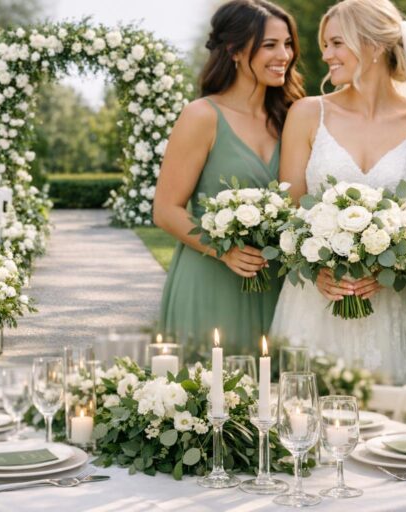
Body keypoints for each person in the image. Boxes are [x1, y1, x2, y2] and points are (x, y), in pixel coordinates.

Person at [270, 0, 406, 384]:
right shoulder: (308, 113)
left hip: (392, 301)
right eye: (325, 44)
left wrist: (392, 265)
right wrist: (317, 268)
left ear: (373, 45)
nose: (326, 55)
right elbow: (288, 211)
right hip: (315, 299)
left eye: (336, 43)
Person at [153, 0, 304, 356]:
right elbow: (166, 209)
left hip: (277, 287)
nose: (284, 54)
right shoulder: (202, 116)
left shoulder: (294, 117)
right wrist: (225, 251)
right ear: (235, 50)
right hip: (211, 280)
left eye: (287, 44)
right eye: (270, 45)